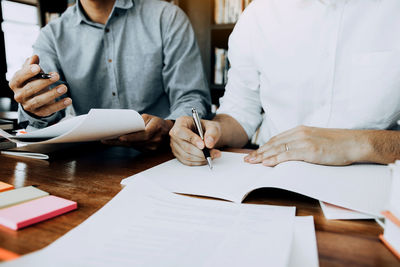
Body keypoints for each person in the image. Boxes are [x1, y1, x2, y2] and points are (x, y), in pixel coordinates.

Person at [170, 0, 400, 166]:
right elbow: (240, 113)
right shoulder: (259, 14)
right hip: (276, 181)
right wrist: (214, 131)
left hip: (377, 184)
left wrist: (358, 144)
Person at [9, 0, 210, 151]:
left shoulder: (166, 17)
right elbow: (45, 118)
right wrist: (35, 108)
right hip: (88, 163)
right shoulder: (51, 35)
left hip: (162, 156)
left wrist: (172, 126)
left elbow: (192, 98)